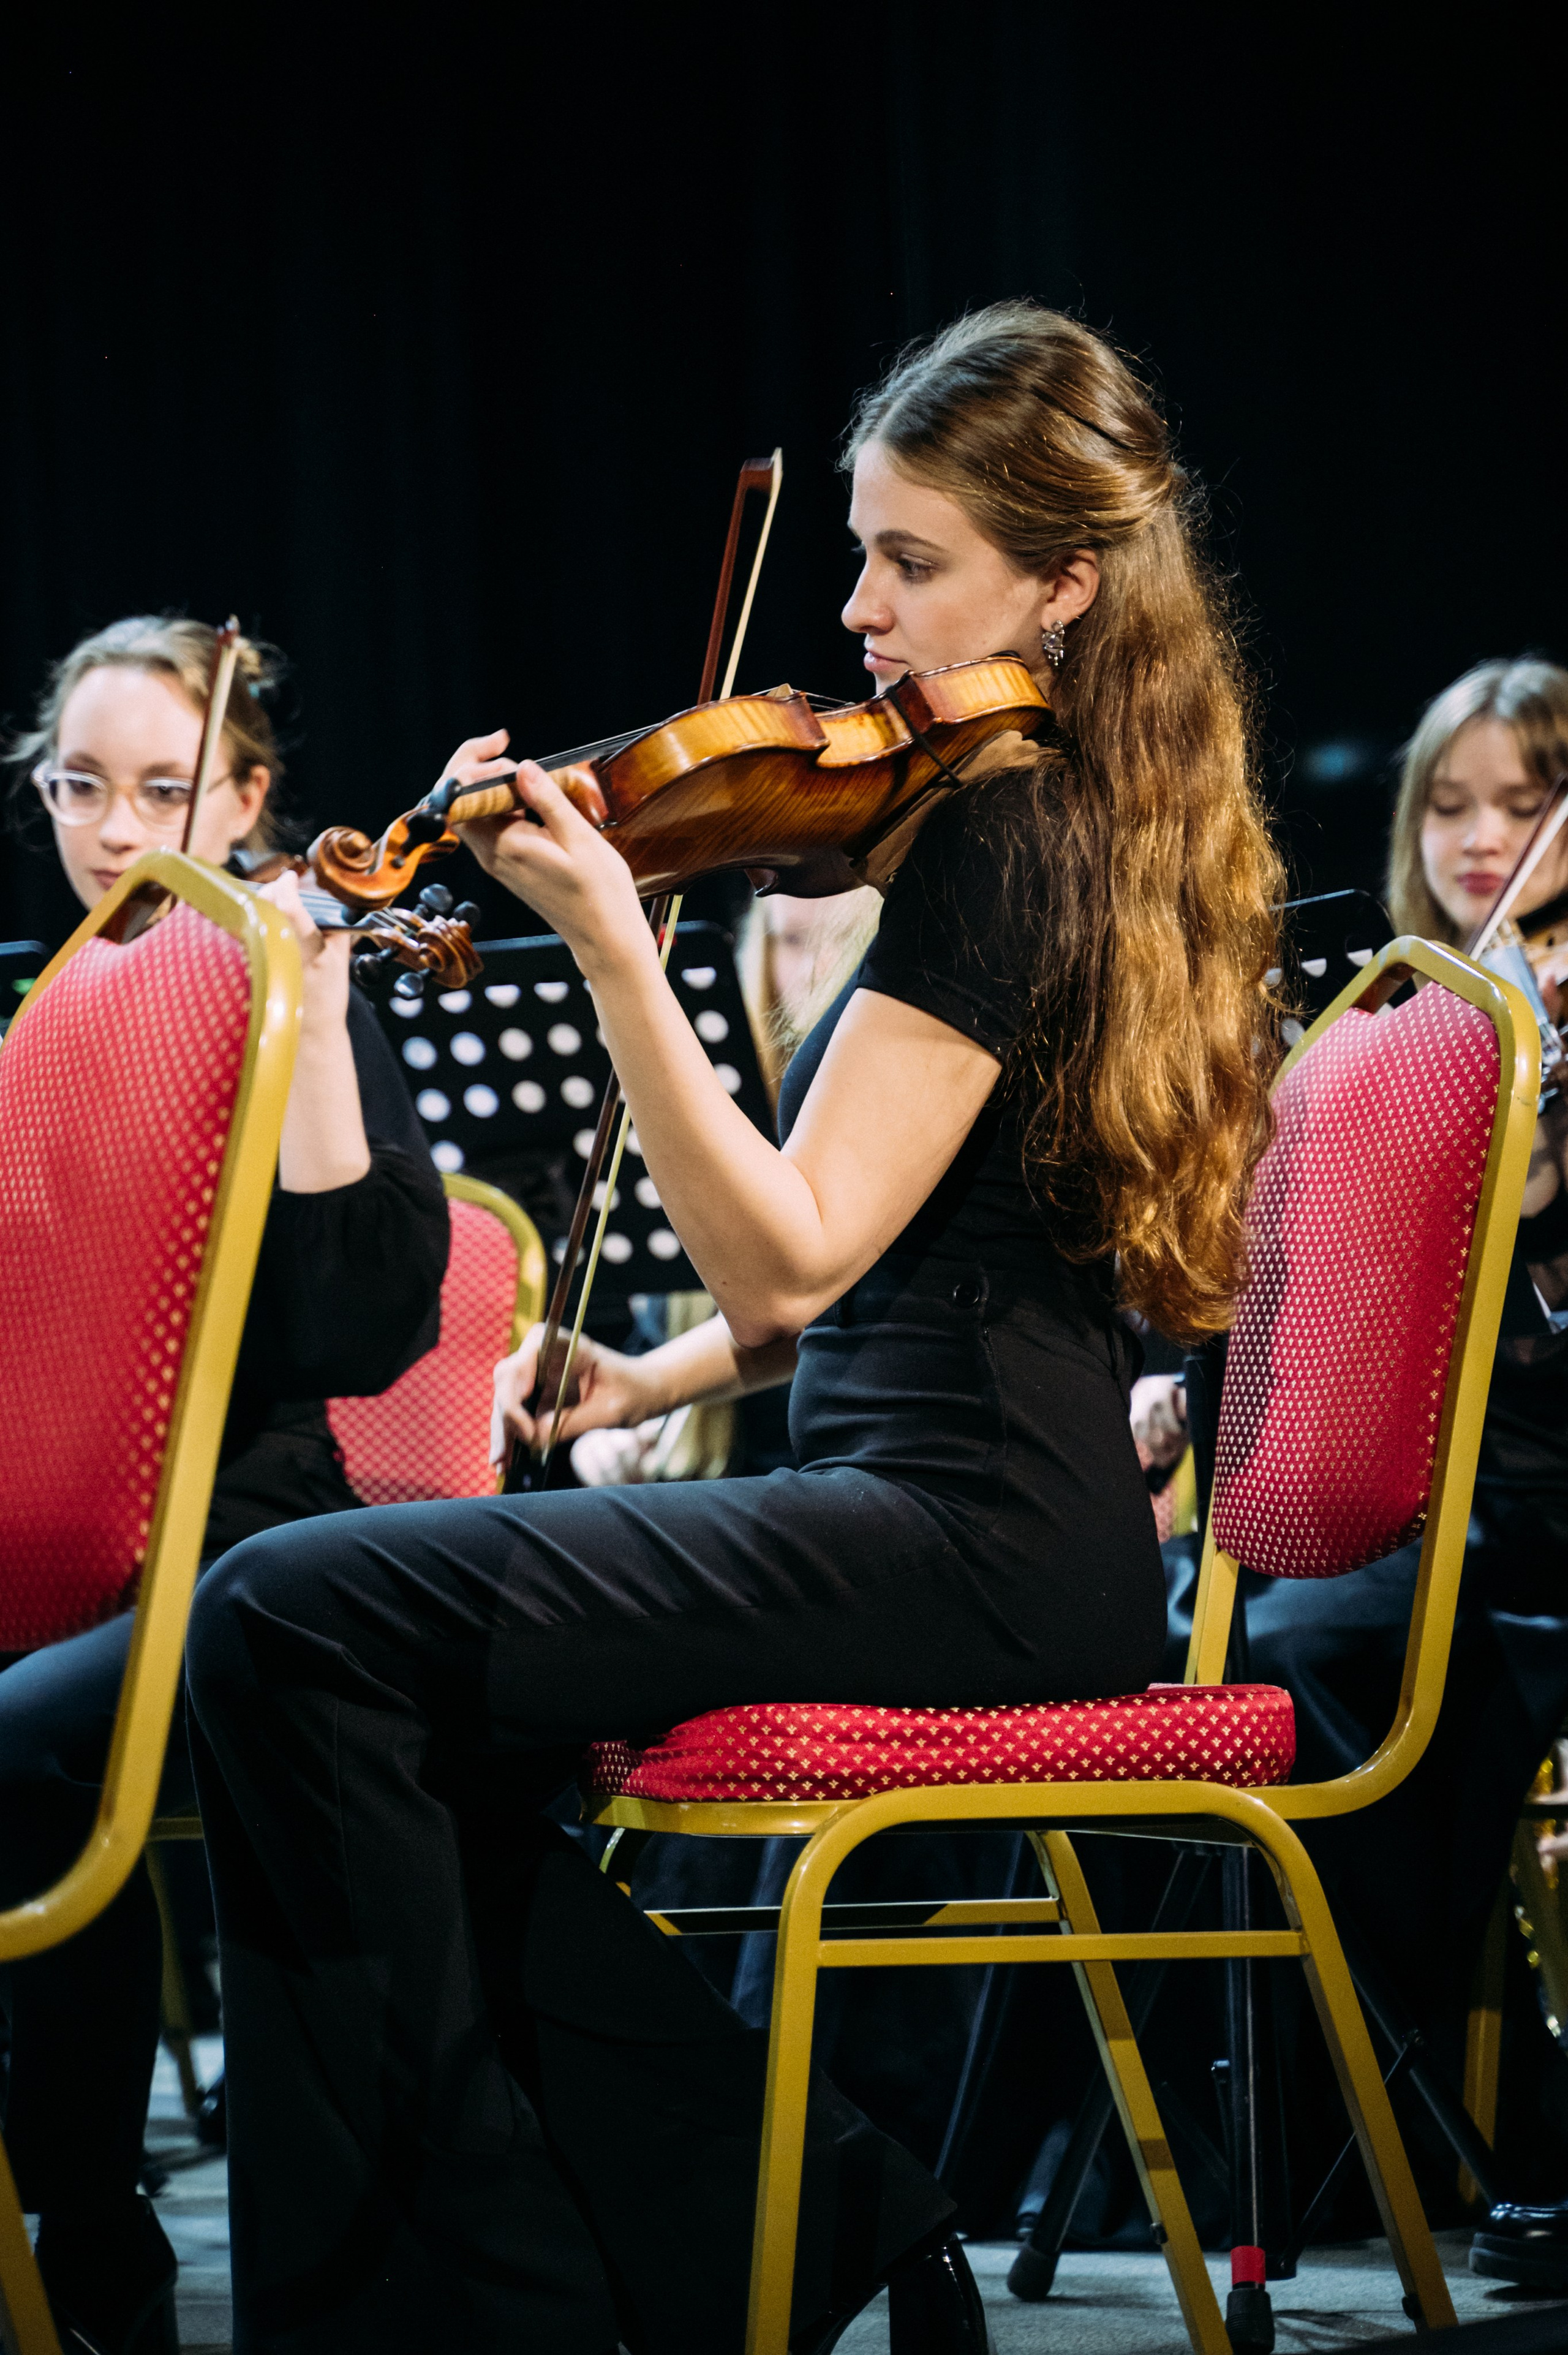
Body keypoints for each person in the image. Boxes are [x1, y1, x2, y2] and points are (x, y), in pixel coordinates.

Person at [183, 301, 1284, 2355]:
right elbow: (858, 1287)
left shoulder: (1015, 830)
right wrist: (650, 1376)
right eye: (859, 551)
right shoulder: (1018, 810)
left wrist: (614, 940)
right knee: (392, 1698)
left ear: (1066, 582)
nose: (856, 609)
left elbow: (789, 1259)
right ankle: (793, 2216)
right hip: (935, 1501)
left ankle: (489, 2303)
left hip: (969, 1540)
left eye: (912, 562)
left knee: (281, 1613)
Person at [0, 617, 450, 2355]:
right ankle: (80, 2231)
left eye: (164, 791)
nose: (118, 834)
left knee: (29, 1725)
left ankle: (89, 2229)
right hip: (59, 1566)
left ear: (251, 796)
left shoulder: (276, 990)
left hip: (250, 1555)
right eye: (80, 787)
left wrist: (317, 1020)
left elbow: (371, 1321)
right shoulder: (46, 1019)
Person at [1139, 659, 1568, 2253]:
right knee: (1165, 1614)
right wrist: (1208, 1378)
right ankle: (1199, 2147)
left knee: (1322, 1645)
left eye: (1524, 806)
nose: (1481, 841)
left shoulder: (1512, 1025)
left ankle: (1396, 2129)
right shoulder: (1391, 1013)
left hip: (1523, 1510)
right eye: (1450, 805)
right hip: (1396, 1503)